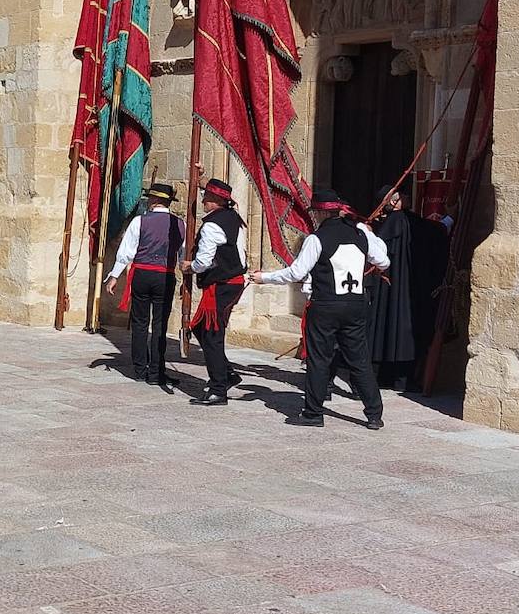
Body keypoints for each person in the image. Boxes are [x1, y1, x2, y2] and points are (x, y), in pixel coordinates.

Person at [252, 188, 390, 429]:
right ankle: (374, 414)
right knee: (359, 360)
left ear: (318, 214)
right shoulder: (360, 234)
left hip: (325, 305)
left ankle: (313, 413)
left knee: (318, 359)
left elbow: (296, 273)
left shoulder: (316, 239)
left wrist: (264, 277)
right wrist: (370, 234)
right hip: (356, 304)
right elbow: (384, 261)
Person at [367, 183, 450, 392]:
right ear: (393, 202)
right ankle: (400, 379)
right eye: (401, 195)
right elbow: (436, 232)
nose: (406, 196)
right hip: (402, 288)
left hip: (390, 289)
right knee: (401, 328)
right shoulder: (401, 220)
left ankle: (384, 375)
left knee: (386, 327)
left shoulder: (388, 223)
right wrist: (451, 218)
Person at [105, 182, 185, 387]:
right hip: (165, 277)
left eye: (150, 198)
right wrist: (186, 280)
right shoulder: (180, 224)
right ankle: (156, 371)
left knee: (140, 323)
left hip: (142, 275)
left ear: (155, 200)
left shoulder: (140, 221)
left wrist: (114, 276)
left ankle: (140, 369)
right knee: (160, 325)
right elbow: (183, 255)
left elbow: (126, 252)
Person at [184, 173, 248, 406]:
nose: (203, 200)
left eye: (207, 196)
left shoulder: (212, 224)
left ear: (216, 200)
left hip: (221, 285)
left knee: (211, 334)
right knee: (202, 329)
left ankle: (218, 389)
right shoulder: (234, 217)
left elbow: (204, 260)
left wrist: (190, 266)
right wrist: (201, 180)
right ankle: (227, 373)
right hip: (231, 282)